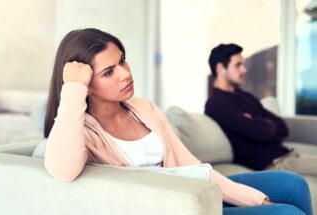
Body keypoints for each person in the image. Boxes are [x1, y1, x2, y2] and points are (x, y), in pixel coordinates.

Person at [43, 29, 312, 215]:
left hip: (191, 192)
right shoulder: (81, 130)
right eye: (109, 72)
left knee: (292, 184)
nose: (125, 74)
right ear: (87, 85)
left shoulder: (143, 107)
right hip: (172, 207)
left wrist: (248, 197)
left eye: (123, 61)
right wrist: (73, 88)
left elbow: (191, 166)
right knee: (285, 212)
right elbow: (63, 171)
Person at [205, 43, 317, 179]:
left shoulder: (245, 96)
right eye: (238, 65)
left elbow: (282, 128)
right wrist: (262, 123)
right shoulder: (217, 104)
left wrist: (256, 121)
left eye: (243, 65)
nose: (244, 70)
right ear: (221, 68)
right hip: (274, 163)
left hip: (287, 155)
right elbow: (264, 132)